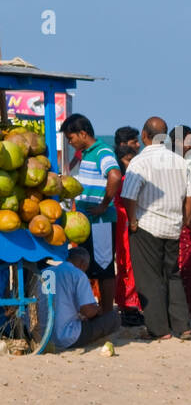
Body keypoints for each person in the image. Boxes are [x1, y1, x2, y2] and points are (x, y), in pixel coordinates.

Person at [119, 117, 191, 340]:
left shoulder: (140, 162)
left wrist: (132, 220)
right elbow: (190, 196)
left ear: (144, 136)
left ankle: (159, 329)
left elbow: (128, 196)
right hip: (172, 226)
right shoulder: (179, 162)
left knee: (149, 278)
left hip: (147, 226)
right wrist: (184, 219)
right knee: (172, 276)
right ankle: (182, 326)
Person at [60, 114, 120, 315]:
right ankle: (96, 309)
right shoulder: (86, 153)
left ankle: (106, 311)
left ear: (83, 133)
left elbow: (114, 174)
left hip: (101, 221)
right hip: (88, 220)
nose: (70, 142)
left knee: (104, 268)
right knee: (89, 264)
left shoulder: (102, 151)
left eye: (71, 138)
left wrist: (104, 204)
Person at [41, 247, 121, 350]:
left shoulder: (45, 271)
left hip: (42, 337)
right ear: (83, 263)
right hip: (66, 337)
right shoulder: (78, 274)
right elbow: (88, 311)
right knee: (114, 317)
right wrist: (98, 309)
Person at [111, 126, 142, 323]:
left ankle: (129, 304)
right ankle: (129, 305)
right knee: (127, 265)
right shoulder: (120, 177)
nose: (138, 145)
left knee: (128, 265)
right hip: (124, 223)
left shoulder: (125, 175)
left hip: (124, 221)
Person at [171, 125, 191, 319]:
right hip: (182, 224)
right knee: (183, 269)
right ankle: (185, 310)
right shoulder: (183, 166)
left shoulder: (182, 163)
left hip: (175, 222)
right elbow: (189, 203)